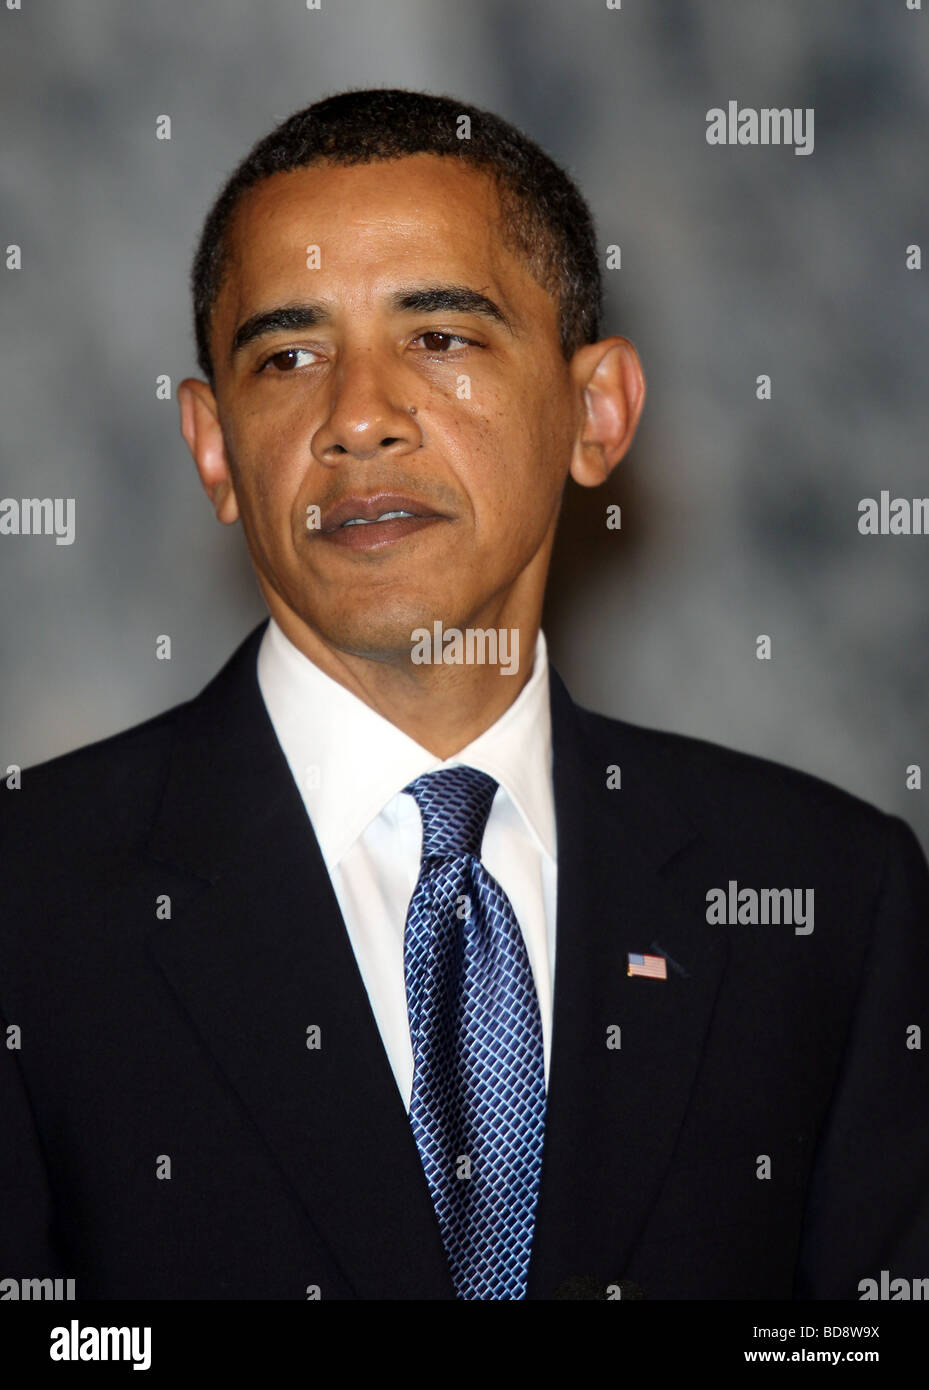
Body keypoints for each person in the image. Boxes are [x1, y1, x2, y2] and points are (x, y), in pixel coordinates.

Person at [2, 88, 927, 1302]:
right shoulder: (29, 902)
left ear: (594, 413)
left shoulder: (828, 901)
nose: (360, 419)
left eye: (439, 337)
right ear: (214, 447)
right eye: (288, 355)